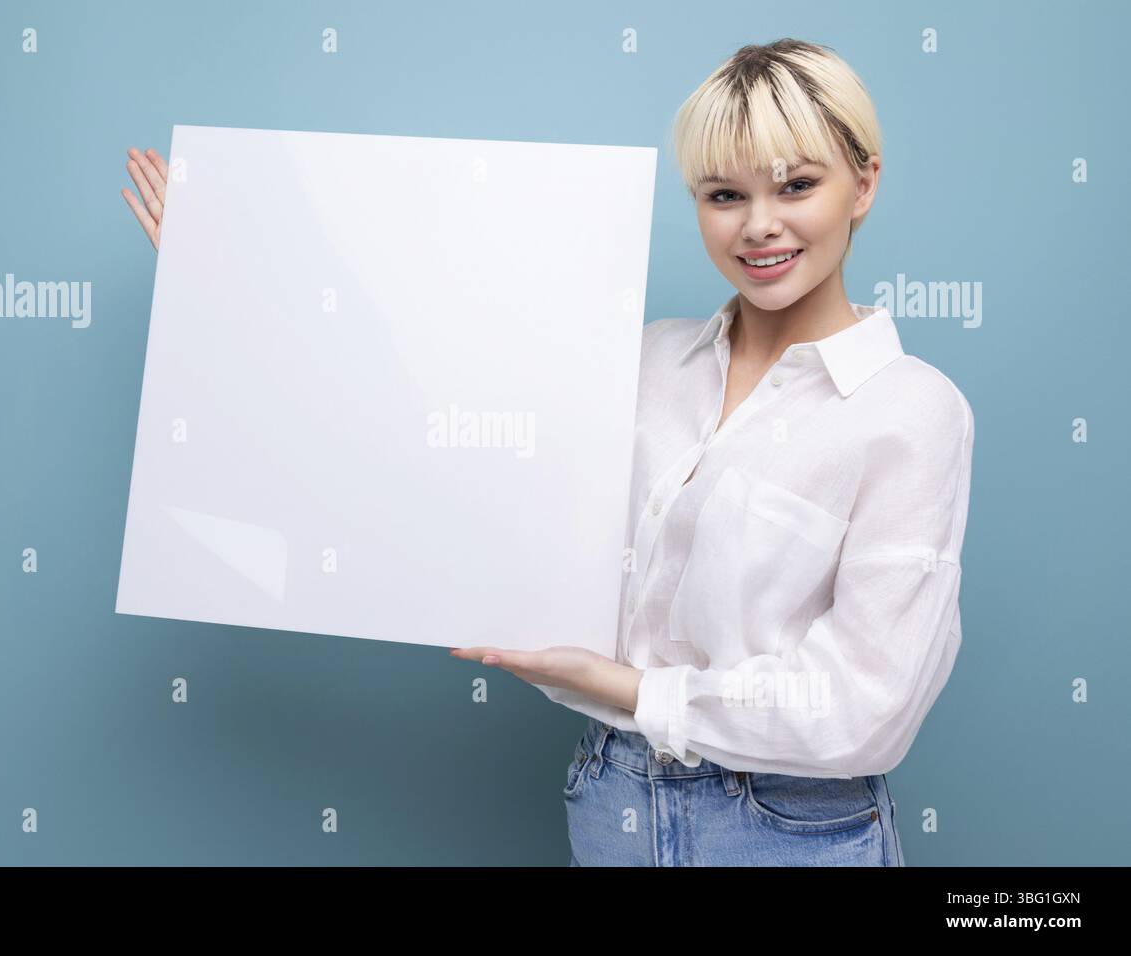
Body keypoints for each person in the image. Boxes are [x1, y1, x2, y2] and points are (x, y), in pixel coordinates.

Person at [121, 37, 973, 866]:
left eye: (796, 186)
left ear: (863, 183)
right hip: (612, 801)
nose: (759, 226)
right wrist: (233, 287)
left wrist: (629, 691)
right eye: (722, 195)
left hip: (793, 829)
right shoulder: (643, 363)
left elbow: (869, 708)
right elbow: (431, 427)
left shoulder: (910, 413)